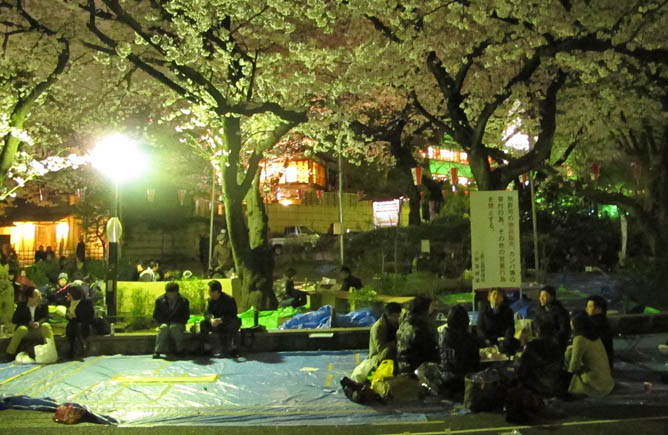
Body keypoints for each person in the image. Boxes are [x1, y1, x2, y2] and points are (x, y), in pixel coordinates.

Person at [564, 311, 614, 398]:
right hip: (606, 382)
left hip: (594, 385)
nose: (570, 322)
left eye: (571, 320)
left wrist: (565, 376)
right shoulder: (594, 335)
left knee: (567, 354)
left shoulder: (579, 338)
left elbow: (574, 366)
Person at [438, 304, 480, 392]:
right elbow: (475, 363)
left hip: (444, 378)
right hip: (462, 381)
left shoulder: (443, 336)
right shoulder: (466, 339)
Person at [5, 288, 54, 362]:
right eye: (37, 295)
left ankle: (51, 351)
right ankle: (10, 353)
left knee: (46, 326)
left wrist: (39, 323)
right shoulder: (21, 306)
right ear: (30, 297)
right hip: (27, 331)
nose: (40, 297)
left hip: (39, 330)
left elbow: (47, 317)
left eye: (39, 295)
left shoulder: (43, 305)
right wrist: (28, 322)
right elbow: (14, 320)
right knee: (21, 329)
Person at [396, 295, 439, 374]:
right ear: (425, 309)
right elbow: (430, 352)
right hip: (417, 372)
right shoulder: (420, 327)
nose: (433, 309)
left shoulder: (404, 324)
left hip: (403, 369)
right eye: (431, 306)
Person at [199, 280, 241, 357]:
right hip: (214, 323)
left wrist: (221, 320)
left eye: (210, 291)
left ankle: (233, 347)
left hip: (226, 322)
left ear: (216, 291)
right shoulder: (209, 301)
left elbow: (233, 314)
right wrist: (211, 320)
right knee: (203, 323)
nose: (209, 293)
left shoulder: (229, 299)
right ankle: (207, 347)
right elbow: (206, 313)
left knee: (235, 322)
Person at [152, 281, 190, 359]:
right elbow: (156, 315)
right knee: (163, 328)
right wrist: (162, 322)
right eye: (170, 294)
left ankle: (181, 349)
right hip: (164, 322)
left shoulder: (183, 301)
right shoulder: (160, 300)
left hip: (178, 323)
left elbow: (186, 315)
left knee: (174, 328)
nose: (172, 296)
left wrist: (179, 322)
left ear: (177, 292)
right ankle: (157, 350)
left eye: (173, 294)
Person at [476, 288, 517, 354]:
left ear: (502, 298)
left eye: (499, 295)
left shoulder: (507, 310)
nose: (496, 297)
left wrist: (507, 339)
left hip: (502, 339)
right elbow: (479, 328)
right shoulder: (483, 309)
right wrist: (486, 339)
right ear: (489, 297)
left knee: (514, 343)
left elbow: (510, 327)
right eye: (494, 294)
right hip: (488, 339)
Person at [534, 285, 571, 355]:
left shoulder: (561, 312)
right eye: (540, 296)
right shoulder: (539, 311)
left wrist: (551, 341)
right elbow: (536, 324)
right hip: (542, 342)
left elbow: (564, 331)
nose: (541, 298)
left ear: (552, 297)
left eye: (544, 296)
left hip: (556, 345)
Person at [65, 285, 95, 360]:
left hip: (83, 326)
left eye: (69, 293)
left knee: (75, 325)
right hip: (72, 326)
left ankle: (76, 349)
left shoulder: (86, 303)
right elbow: (67, 315)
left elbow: (88, 317)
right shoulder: (69, 303)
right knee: (73, 325)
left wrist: (75, 317)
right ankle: (75, 349)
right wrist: (68, 316)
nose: (67, 295)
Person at [585, 295, 614, 370]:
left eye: (590, 306)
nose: (587, 309)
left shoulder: (594, 324)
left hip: (597, 364)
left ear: (599, 309)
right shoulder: (604, 322)